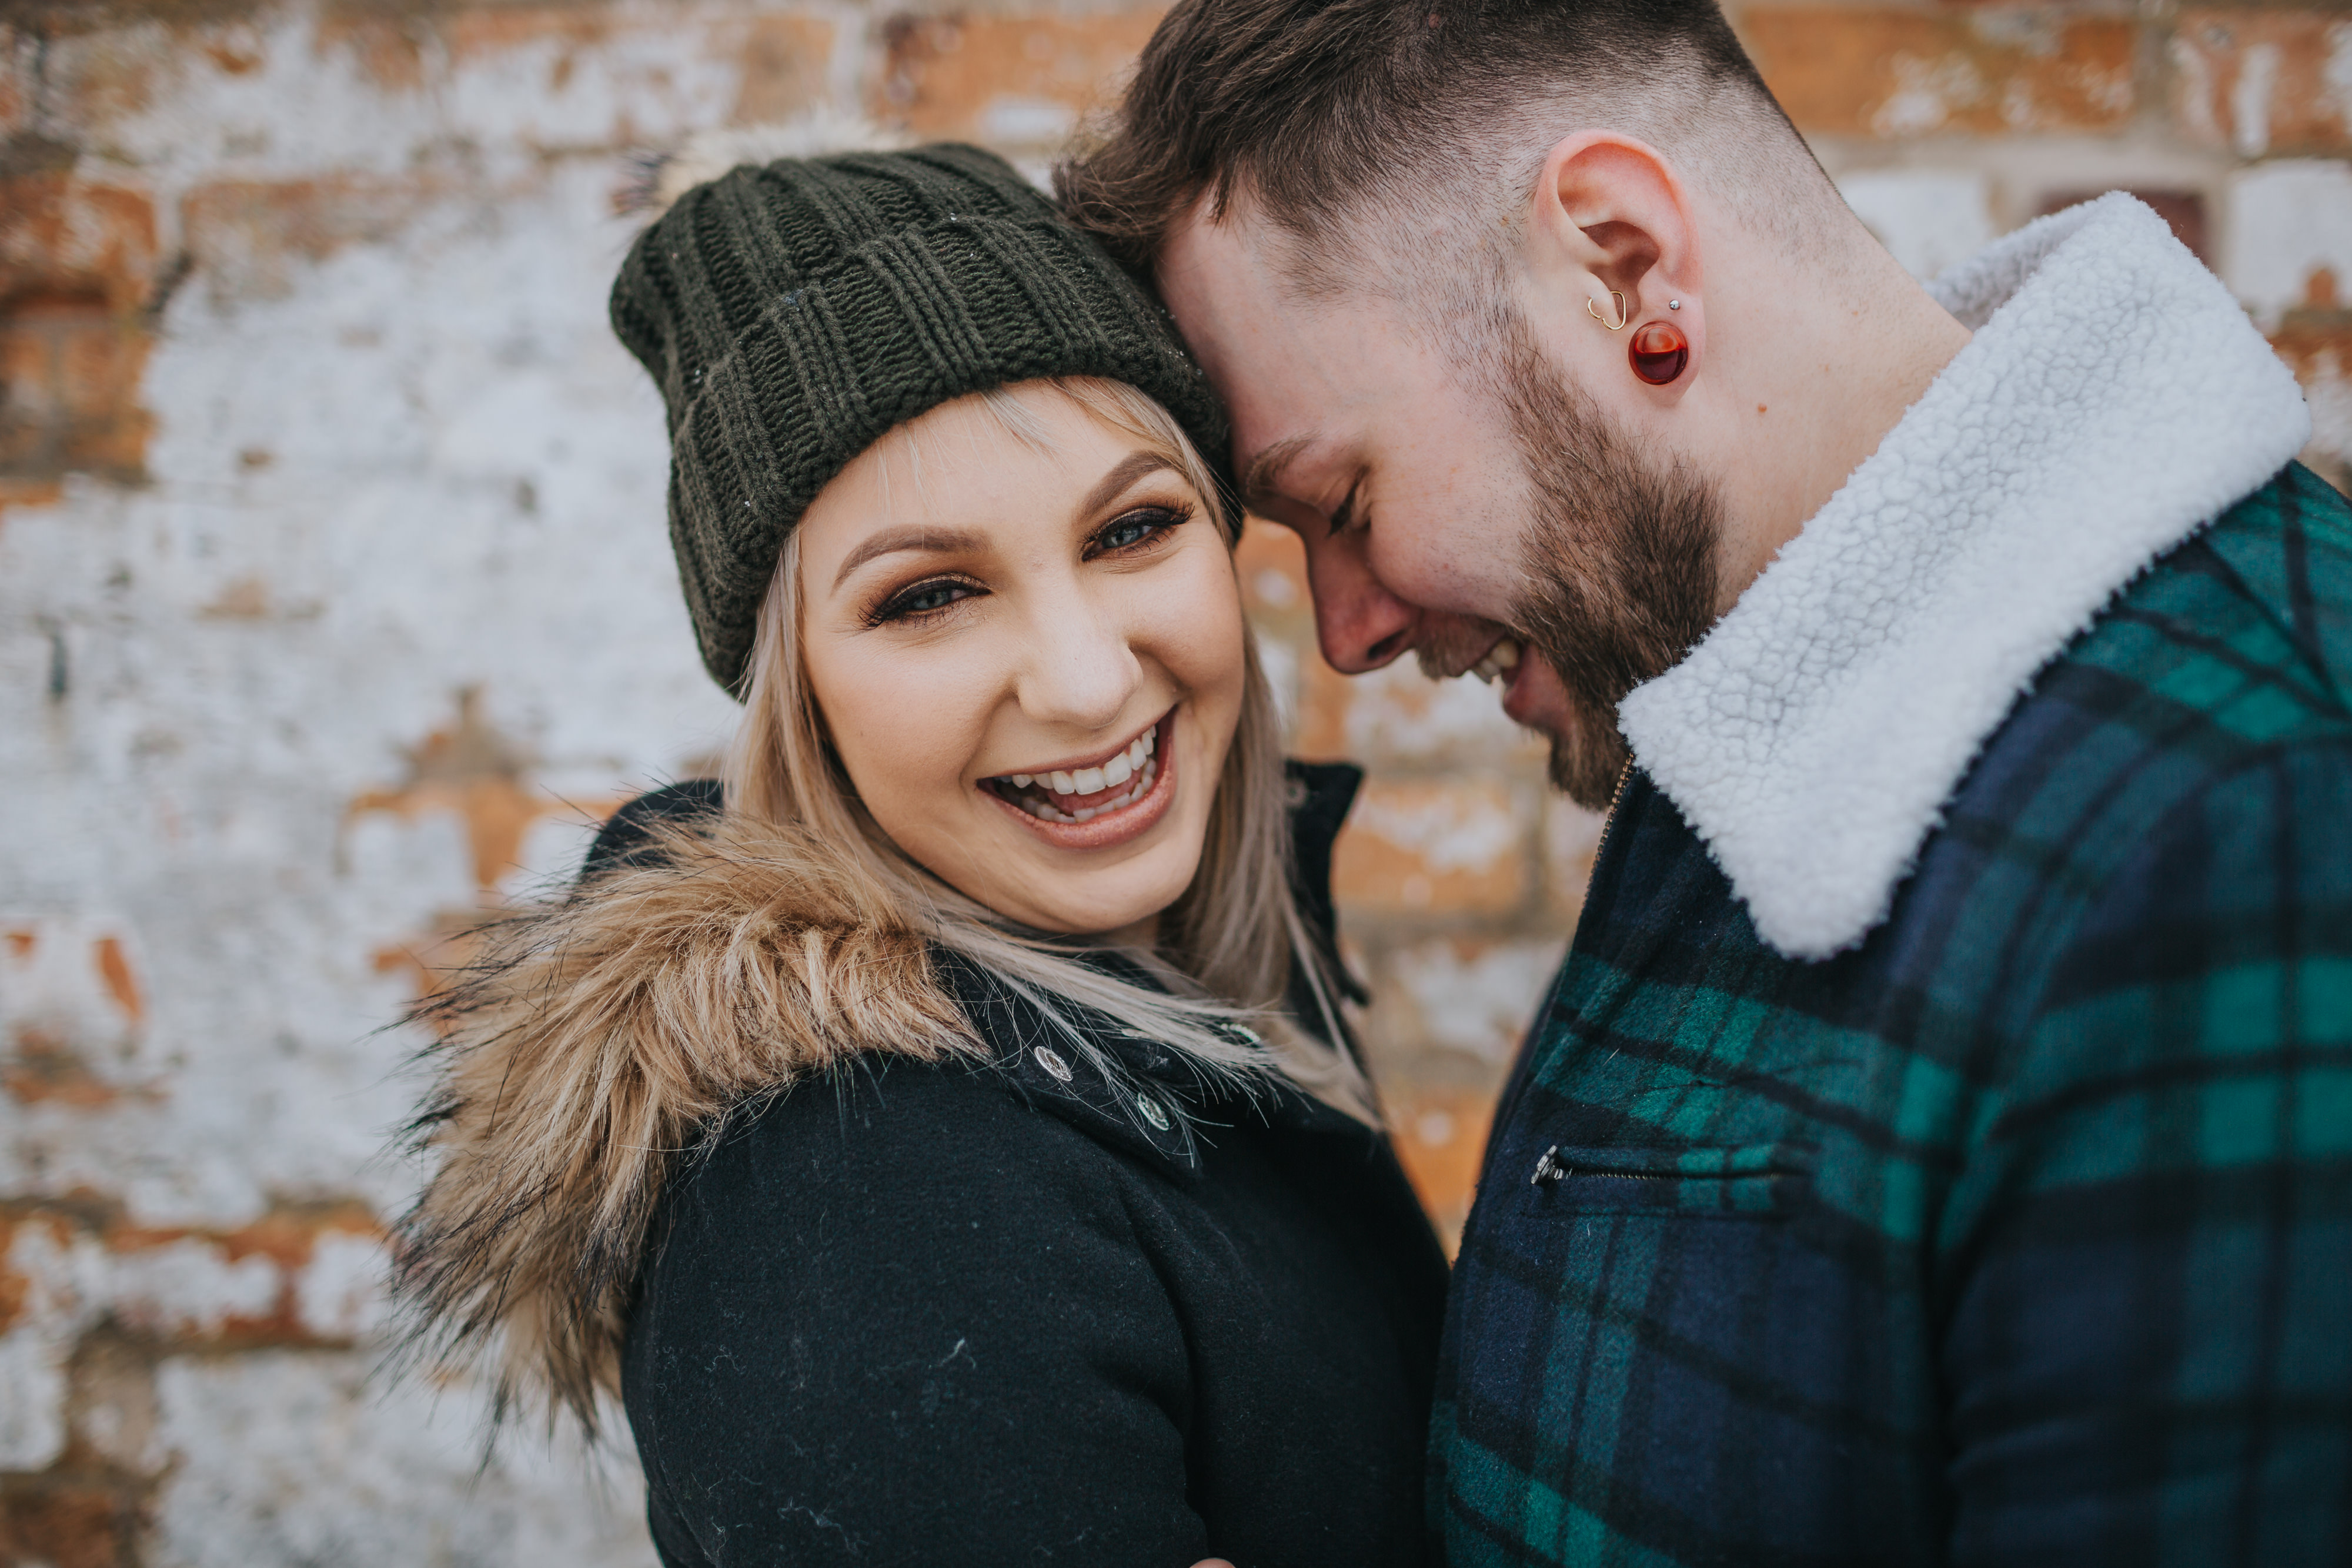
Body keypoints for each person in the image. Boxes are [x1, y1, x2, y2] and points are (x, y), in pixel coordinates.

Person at [1059, 1, 2352, 1562]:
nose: (1350, 630)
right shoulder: (1749, 678)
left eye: (1343, 498)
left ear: (1623, 265)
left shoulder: (2249, 824)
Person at [389, 142, 1447, 1567]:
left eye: (1134, 526)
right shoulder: (855, 1198)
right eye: (928, 595)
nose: (1081, 681)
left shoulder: (1185, 987)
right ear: (798, 689)